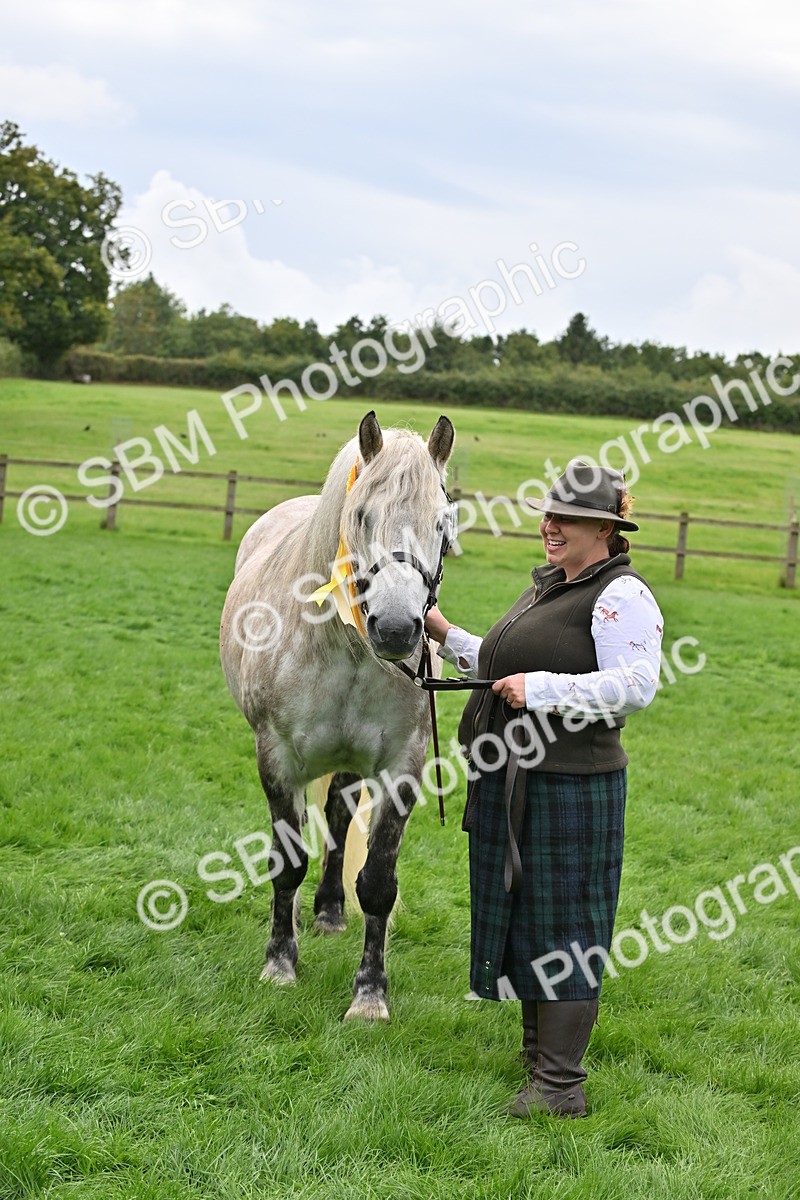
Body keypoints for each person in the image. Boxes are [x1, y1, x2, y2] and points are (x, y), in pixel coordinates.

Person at [425, 460, 663, 1119]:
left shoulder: (620, 595)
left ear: (606, 529)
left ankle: (561, 1087)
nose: (549, 526)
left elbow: (636, 685)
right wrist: (443, 634)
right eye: (548, 515)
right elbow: (504, 668)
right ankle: (539, 1062)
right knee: (531, 918)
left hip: (569, 784)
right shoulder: (551, 588)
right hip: (515, 778)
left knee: (567, 929)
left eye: (566, 519)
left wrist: (545, 691)